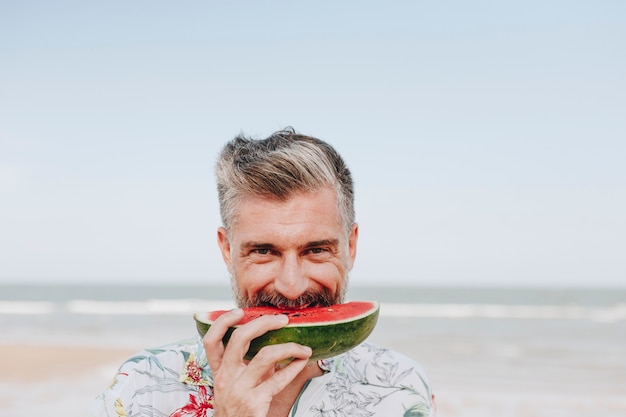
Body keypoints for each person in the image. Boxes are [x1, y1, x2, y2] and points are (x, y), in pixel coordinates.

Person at [90, 128, 436, 417]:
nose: (290, 286)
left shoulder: (399, 386)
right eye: (263, 251)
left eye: (315, 250)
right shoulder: (142, 387)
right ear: (227, 250)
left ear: (351, 247)